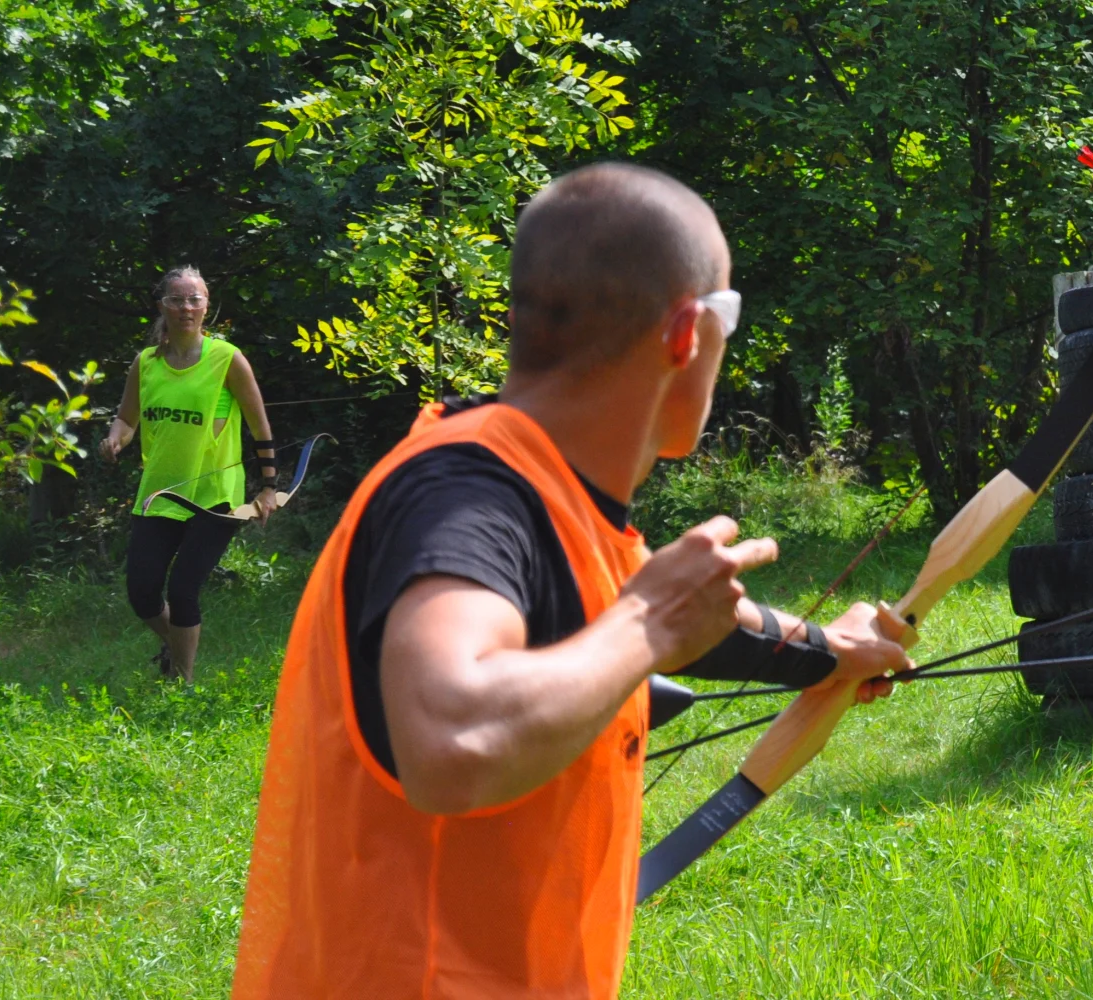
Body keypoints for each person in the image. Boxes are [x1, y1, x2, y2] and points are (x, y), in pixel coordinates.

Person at [229, 163, 911, 998]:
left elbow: (663, 614)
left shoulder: (546, 494)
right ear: (684, 333)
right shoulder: (468, 499)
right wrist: (647, 629)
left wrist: (830, 652)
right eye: (729, 316)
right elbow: (453, 740)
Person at [102, 266, 279, 681]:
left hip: (216, 497)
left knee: (183, 590)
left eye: (195, 299)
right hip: (159, 494)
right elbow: (126, 420)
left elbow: (260, 426)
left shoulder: (226, 358)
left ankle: (181, 680)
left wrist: (269, 487)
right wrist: (115, 440)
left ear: (206, 306)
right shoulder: (146, 362)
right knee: (142, 593)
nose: (187, 307)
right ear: (162, 305)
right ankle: (175, 643)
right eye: (178, 299)